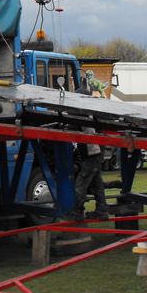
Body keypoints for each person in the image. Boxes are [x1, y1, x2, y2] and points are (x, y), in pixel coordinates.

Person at [62, 86, 108, 221]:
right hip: (96, 152)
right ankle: (102, 210)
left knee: (80, 184)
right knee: (96, 184)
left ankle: (77, 212)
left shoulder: (85, 112)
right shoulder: (90, 111)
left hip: (93, 152)